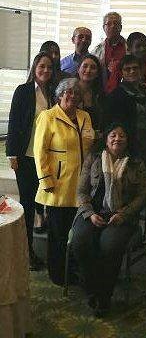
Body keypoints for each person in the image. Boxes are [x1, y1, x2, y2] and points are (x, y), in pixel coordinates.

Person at [72, 124, 146, 317]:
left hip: (121, 216)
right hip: (93, 213)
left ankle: (104, 296)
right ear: (106, 139)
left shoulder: (136, 163)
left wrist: (124, 213)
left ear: (128, 139)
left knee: (109, 245)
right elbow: (81, 191)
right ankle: (91, 289)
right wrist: (89, 213)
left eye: (122, 135)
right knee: (80, 241)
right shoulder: (94, 158)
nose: (117, 139)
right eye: (113, 135)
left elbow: (142, 196)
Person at [33, 77, 96, 285]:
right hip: (57, 186)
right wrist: (45, 180)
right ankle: (58, 274)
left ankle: (74, 268)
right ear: (60, 95)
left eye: (76, 93)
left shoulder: (85, 116)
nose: (72, 96)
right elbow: (39, 151)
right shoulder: (48, 116)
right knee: (59, 235)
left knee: (77, 233)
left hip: (82, 186)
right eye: (67, 92)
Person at [7, 52, 54, 269]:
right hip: (25, 158)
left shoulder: (54, 93)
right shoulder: (24, 91)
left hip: (47, 159)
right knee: (27, 205)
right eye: (41, 66)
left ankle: (49, 251)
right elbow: (14, 123)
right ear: (35, 68)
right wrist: (11, 153)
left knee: (42, 204)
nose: (45, 70)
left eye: (49, 67)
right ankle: (26, 253)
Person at [103, 54, 146, 191]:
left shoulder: (145, 92)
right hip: (129, 150)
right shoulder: (116, 96)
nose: (132, 72)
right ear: (122, 72)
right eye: (127, 69)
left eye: (135, 68)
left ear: (142, 70)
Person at [74, 55, 107, 131]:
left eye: (93, 68)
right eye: (85, 66)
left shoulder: (100, 95)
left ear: (97, 73)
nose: (88, 70)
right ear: (78, 69)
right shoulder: (68, 91)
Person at [93, 12, 127, 80]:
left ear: (120, 27)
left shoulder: (130, 46)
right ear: (103, 28)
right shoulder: (97, 50)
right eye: (109, 24)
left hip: (126, 88)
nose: (112, 26)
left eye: (115, 23)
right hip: (103, 88)